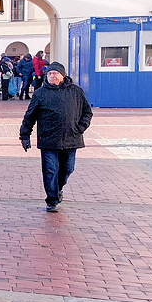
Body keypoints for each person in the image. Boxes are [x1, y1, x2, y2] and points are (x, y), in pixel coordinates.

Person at [19, 62, 93, 213]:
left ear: (62, 75)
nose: (52, 76)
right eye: (50, 74)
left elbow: (87, 112)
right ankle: (52, 199)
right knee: (50, 170)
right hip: (48, 139)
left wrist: (80, 127)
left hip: (71, 138)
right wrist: (25, 135)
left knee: (67, 168)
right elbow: (30, 116)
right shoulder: (40, 93)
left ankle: (58, 188)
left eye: (55, 73)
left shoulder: (76, 92)